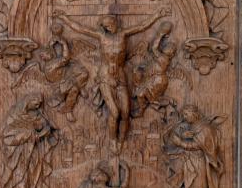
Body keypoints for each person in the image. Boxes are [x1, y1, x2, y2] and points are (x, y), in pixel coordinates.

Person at [59, 9, 169, 150]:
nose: (111, 26)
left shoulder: (123, 34)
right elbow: (81, 29)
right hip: (105, 77)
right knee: (115, 112)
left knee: (125, 112)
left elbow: (141, 26)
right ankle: (112, 141)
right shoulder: (101, 36)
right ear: (105, 27)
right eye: (108, 25)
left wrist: (157, 15)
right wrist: (64, 18)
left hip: (121, 76)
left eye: (112, 23)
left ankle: (121, 141)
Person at [156, 105, 223, 188]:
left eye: (186, 114)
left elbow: (201, 145)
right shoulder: (187, 127)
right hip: (186, 162)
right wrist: (181, 138)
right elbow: (173, 137)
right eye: (184, 114)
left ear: (194, 113)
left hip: (198, 163)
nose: (184, 117)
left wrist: (180, 142)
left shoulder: (205, 128)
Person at [0, 94, 57, 188]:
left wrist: (41, 133)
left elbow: (47, 128)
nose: (38, 105)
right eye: (35, 102)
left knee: (34, 186)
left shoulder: (37, 115)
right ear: (27, 102)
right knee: (20, 186)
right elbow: (6, 137)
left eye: (40, 103)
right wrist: (29, 134)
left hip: (34, 158)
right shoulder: (15, 116)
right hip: (18, 159)